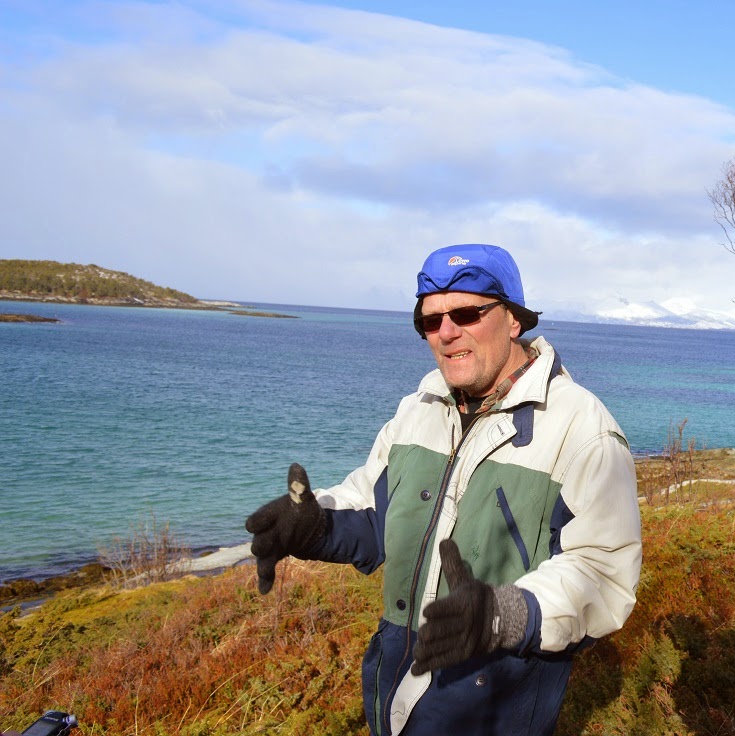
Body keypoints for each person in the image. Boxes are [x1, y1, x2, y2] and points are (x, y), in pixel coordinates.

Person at [244, 244, 642, 736]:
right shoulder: (420, 407)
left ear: (514, 319)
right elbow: (376, 512)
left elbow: (603, 573)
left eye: (466, 313)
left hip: (493, 710)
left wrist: (504, 613)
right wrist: (312, 525)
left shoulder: (583, 431)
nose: (446, 333)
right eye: (430, 321)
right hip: (393, 697)